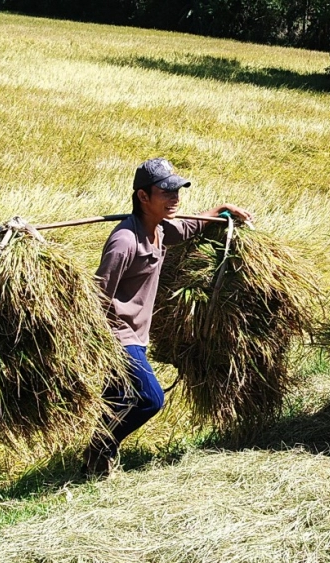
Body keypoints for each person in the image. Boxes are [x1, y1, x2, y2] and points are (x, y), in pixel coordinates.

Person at [82, 157, 253, 476]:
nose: (175, 198)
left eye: (177, 191)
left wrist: (221, 210)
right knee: (149, 398)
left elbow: (189, 226)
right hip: (120, 337)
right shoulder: (124, 242)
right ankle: (100, 449)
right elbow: (97, 293)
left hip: (137, 335)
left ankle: (94, 464)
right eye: (166, 192)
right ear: (143, 197)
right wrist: (108, 341)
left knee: (116, 402)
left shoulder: (159, 230)